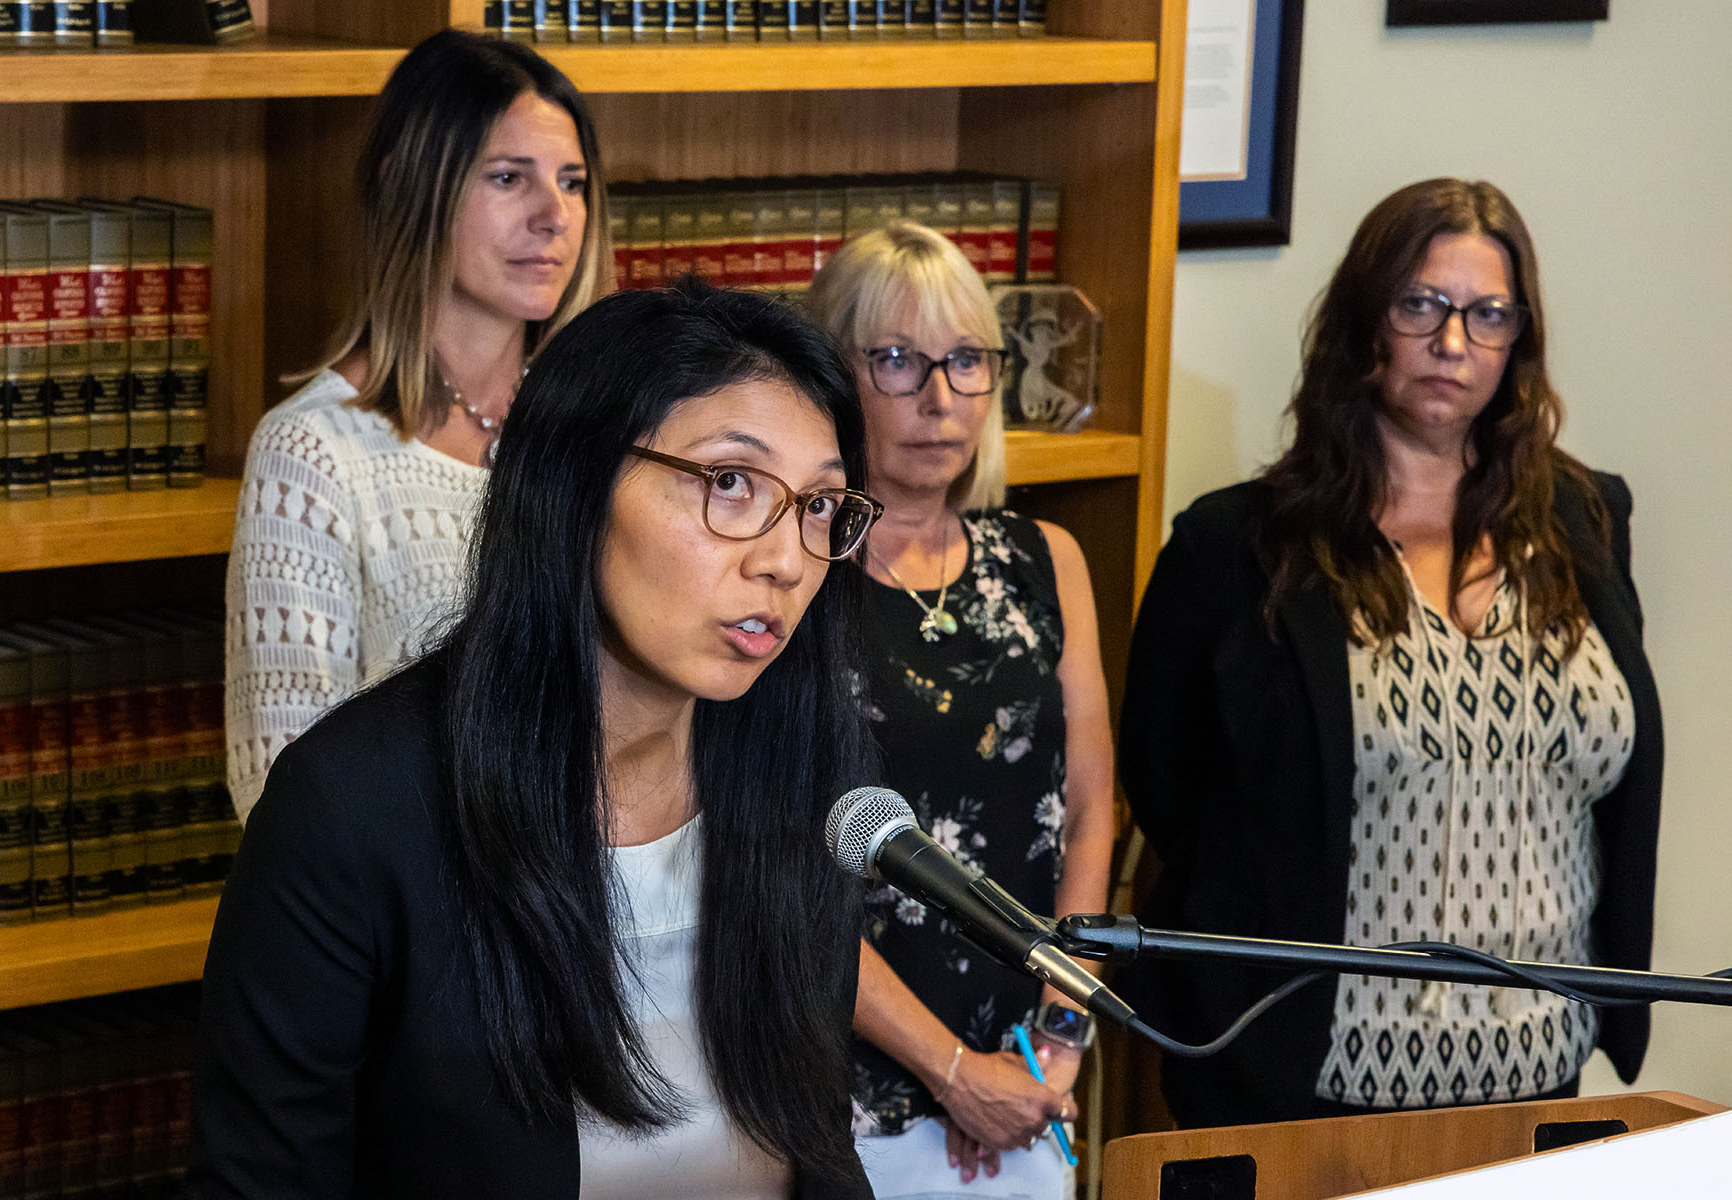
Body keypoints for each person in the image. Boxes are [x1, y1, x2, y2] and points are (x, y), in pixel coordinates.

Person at [191, 280, 886, 1198]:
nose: (785, 558)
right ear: (573, 482)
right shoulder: (353, 809)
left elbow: (820, 1149)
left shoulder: (798, 780)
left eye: (819, 506)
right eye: (729, 483)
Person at [1121, 178, 1662, 1128]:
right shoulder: (1241, 548)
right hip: (1306, 1083)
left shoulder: (1587, 520)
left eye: (1488, 316)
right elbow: (1167, 784)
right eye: (1422, 306)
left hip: (1536, 1073)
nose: (1453, 344)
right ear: (1365, 319)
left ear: (1518, 340)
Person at [223, 29, 614, 821]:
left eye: (572, 182)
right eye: (510, 178)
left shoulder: (609, 427)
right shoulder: (313, 453)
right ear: (411, 186)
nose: (554, 217)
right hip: (412, 920)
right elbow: (278, 785)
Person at [804, 222, 1116, 1190]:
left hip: (1030, 1085)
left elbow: (1093, 811)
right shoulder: (794, 577)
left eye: (967, 361)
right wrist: (949, 1072)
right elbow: (772, 868)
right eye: (897, 360)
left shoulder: (1045, 561)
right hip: (850, 1094)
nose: (940, 399)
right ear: (833, 374)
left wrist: (1057, 1039)